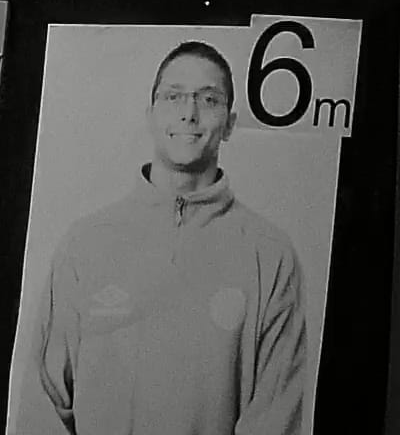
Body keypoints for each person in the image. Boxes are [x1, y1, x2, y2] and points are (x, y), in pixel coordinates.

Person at [32, 40, 307, 435]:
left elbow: (275, 416)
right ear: (151, 115)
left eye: (208, 99)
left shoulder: (271, 255)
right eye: (174, 96)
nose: (189, 113)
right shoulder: (85, 245)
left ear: (230, 124)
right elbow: (45, 403)